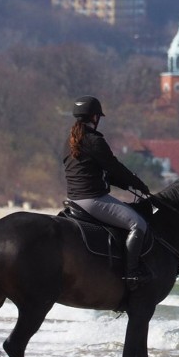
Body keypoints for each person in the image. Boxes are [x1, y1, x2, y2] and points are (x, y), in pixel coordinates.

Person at [64, 96, 151, 290]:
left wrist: (122, 184)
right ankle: (131, 274)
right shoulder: (94, 140)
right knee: (138, 224)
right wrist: (139, 185)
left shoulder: (70, 142)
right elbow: (114, 167)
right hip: (93, 199)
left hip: (73, 199)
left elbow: (97, 172)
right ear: (95, 117)